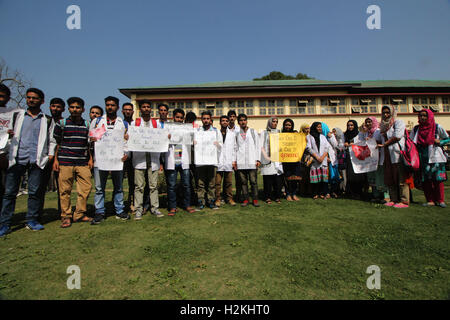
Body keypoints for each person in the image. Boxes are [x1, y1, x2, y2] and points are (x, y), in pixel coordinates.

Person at [0, 88, 51, 236]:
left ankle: (32, 220)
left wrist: (49, 156)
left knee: (34, 192)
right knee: (10, 192)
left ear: (41, 101)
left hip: (36, 159)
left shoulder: (46, 119)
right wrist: (7, 137)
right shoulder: (16, 115)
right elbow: (4, 133)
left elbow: (51, 140)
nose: (31, 100)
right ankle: (5, 223)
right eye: (29, 98)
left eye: (35, 98)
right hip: (17, 158)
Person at [53, 97, 93, 228]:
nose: (75, 109)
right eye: (72, 107)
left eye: (77, 107)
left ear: (82, 109)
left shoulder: (87, 124)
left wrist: (90, 159)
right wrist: (56, 160)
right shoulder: (62, 123)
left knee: (86, 188)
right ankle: (66, 216)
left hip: (82, 162)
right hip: (65, 161)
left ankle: (79, 214)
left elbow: (88, 144)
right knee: (65, 190)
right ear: (69, 109)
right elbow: (57, 143)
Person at [90, 96, 129, 224]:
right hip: (100, 160)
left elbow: (127, 141)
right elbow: (90, 138)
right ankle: (100, 212)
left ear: (117, 107)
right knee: (100, 188)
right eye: (107, 105)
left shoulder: (123, 123)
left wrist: (126, 154)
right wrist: (92, 139)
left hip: (117, 160)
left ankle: (119, 210)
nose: (110, 107)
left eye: (112, 105)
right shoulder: (97, 121)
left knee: (118, 187)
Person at [131, 100, 164, 219]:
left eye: (148, 107)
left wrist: (167, 137)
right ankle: (138, 209)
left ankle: (155, 208)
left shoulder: (156, 124)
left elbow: (161, 138)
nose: (146, 109)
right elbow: (130, 139)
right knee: (139, 186)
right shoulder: (135, 123)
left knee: (153, 186)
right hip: (139, 159)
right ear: (140, 109)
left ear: (151, 109)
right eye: (143, 107)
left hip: (153, 159)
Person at [410, 109, 449, 208]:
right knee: (426, 180)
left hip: (436, 157)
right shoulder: (416, 129)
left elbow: (447, 138)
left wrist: (440, 142)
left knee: (438, 180)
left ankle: (440, 200)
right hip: (422, 158)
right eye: (420, 116)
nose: (422, 118)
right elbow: (411, 142)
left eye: (424, 116)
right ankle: (430, 200)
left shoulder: (437, 127)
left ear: (430, 117)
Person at [377, 105, 410, 208]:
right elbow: (379, 139)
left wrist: (385, 144)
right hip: (387, 155)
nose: (386, 115)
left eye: (388, 112)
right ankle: (393, 199)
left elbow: (397, 136)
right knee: (390, 178)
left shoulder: (398, 122)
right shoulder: (383, 125)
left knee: (401, 179)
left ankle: (404, 201)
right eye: (384, 113)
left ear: (392, 113)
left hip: (397, 154)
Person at [165, 108, 196, 215]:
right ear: (173, 117)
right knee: (171, 185)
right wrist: (165, 137)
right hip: (172, 160)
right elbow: (161, 143)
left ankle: (187, 205)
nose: (179, 119)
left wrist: (193, 139)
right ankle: (172, 207)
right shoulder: (167, 128)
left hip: (184, 160)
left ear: (183, 119)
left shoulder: (187, 129)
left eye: (181, 118)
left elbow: (193, 140)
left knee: (186, 185)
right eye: (177, 117)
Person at [39, 97, 65, 214]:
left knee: (62, 188)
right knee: (40, 187)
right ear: (49, 107)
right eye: (53, 106)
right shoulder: (44, 121)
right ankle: (37, 213)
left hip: (60, 158)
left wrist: (55, 157)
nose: (55, 109)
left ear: (63, 109)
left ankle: (62, 212)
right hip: (43, 157)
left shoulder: (65, 123)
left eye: (58, 107)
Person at [195, 111, 222, 210]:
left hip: (212, 161)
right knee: (200, 184)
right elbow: (194, 146)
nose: (206, 120)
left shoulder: (215, 131)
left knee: (211, 183)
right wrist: (194, 143)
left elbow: (221, 145)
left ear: (210, 120)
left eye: (208, 119)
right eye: (204, 118)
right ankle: (201, 202)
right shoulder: (197, 131)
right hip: (200, 162)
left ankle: (211, 201)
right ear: (201, 120)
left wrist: (217, 144)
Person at [359, 117, 390, 204]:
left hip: (379, 157)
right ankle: (375, 196)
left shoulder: (378, 131)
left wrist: (373, 141)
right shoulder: (366, 133)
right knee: (372, 177)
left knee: (381, 177)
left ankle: (385, 196)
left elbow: (382, 142)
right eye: (367, 122)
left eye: (370, 122)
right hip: (370, 159)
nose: (368, 124)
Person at [233, 113, 260, 207]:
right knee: (243, 182)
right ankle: (246, 199)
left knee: (253, 182)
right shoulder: (236, 134)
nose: (242, 122)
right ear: (238, 122)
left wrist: (258, 159)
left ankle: (255, 199)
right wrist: (234, 161)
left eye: (244, 120)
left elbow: (257, 146)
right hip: (241, 162)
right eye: (240, 120)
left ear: (247, 121)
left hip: (252, 161)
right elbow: (235, 148)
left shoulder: (253, 132)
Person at [260, 117, 282, 204]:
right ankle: (267, 197)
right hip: (267, 159)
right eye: (273, 121)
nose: (275, 123)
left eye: (276, 122)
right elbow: (261, 146)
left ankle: (277, 196)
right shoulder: (264, 133)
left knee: (277, 179)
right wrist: (266, 156)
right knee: (268, 179)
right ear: (269, 122)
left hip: (277, 159)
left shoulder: (279, 132)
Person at [306, 122, 332, 199]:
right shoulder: (309, 137)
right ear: (314, 127)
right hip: (315, 160)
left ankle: (323, 193)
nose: (320, 128)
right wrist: (317, 157)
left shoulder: (323, 137)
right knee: (315, 179)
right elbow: (308, 148)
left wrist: (322, 157)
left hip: (323, 160)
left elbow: (327, 147)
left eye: (320, 127)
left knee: (323, 179)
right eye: (318, 127)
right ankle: (315, 193)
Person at [215, 115, 236, 207]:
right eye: (222, 120)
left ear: (228, 122)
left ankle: (229, 198)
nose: (224, 122)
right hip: (218, 161)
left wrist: (234, 160)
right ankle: (217, 199)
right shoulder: (215, 133)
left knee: (228, 182)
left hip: (228, 161)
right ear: (220, 122)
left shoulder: (232, 134)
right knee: (217, 183)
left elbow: (235, 148)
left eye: (226, 121)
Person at [344, 120, 365, 199]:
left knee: (358, 175)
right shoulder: (345, 134)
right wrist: (345, 144)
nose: (350, 127)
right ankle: (351, 192)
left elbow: (363, 144)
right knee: (350, 175)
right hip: (349, 157)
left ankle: (359, 192)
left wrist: (354, 144)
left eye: (352, 125)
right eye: (348, 125)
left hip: (358, 157)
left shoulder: (359, 135)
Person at [281, 119, 301, 201]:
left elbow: (300, 144)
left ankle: (294, 194)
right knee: (287, 178)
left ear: (292, 126)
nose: (287, 127)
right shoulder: (281, 135)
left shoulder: (296, 134)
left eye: (289, 125)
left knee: (295, 178)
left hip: (295, 159)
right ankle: (288, 194)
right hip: (285, 160)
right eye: (286, 125)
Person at [122, 102, 135, 214]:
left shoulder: (136, 124)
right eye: (125, 109)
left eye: (129, 109)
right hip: (121, 157)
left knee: (132, 182)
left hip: (133, 157)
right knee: (119, 182)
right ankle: (118, 205)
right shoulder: (119, 123)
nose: (127, 111)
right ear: (122, 111)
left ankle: (132, 203)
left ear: (133, 111)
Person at [322, 122, 339, 199]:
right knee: (325, 177)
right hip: (324, 159)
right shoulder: (320, 137)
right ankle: (326, 192)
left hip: (332, 159)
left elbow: (335, 145)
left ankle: (333, 191)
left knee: (333, 177)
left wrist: (331, 136)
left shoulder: (330, 136)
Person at [299, 123, 312, 197]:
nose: (307, 130)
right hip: (301, 157)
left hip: (309, 156)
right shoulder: (299, 136)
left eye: (308, 128)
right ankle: (302, 191)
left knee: (309, 175)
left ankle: (309, 191)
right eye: (306, 128)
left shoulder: (311, 137)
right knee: (302, 176)